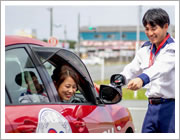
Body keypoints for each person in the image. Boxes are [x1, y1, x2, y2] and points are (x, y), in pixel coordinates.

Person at [118, 8, 175, 133]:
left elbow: (159, 67)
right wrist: (117, 81)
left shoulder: (173, 48)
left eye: (154, 29)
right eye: (147, 29)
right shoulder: (145, 49)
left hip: (171, 108)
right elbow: (131, 69)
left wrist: (141, 79)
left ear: (165, 26)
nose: (149, 33)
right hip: (151, 108)